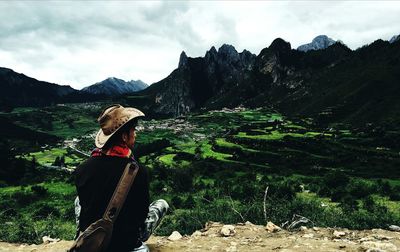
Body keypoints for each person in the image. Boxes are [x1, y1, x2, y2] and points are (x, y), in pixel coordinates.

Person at [73, 104, 169, 252]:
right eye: (133, 130)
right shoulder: (138, 171)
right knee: (161, 204)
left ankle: (82, 240)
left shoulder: (81, 170)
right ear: (124, 136)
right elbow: (141, 215)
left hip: (95, 240)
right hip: (127, 243)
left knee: (78, 201)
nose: (135, 134)